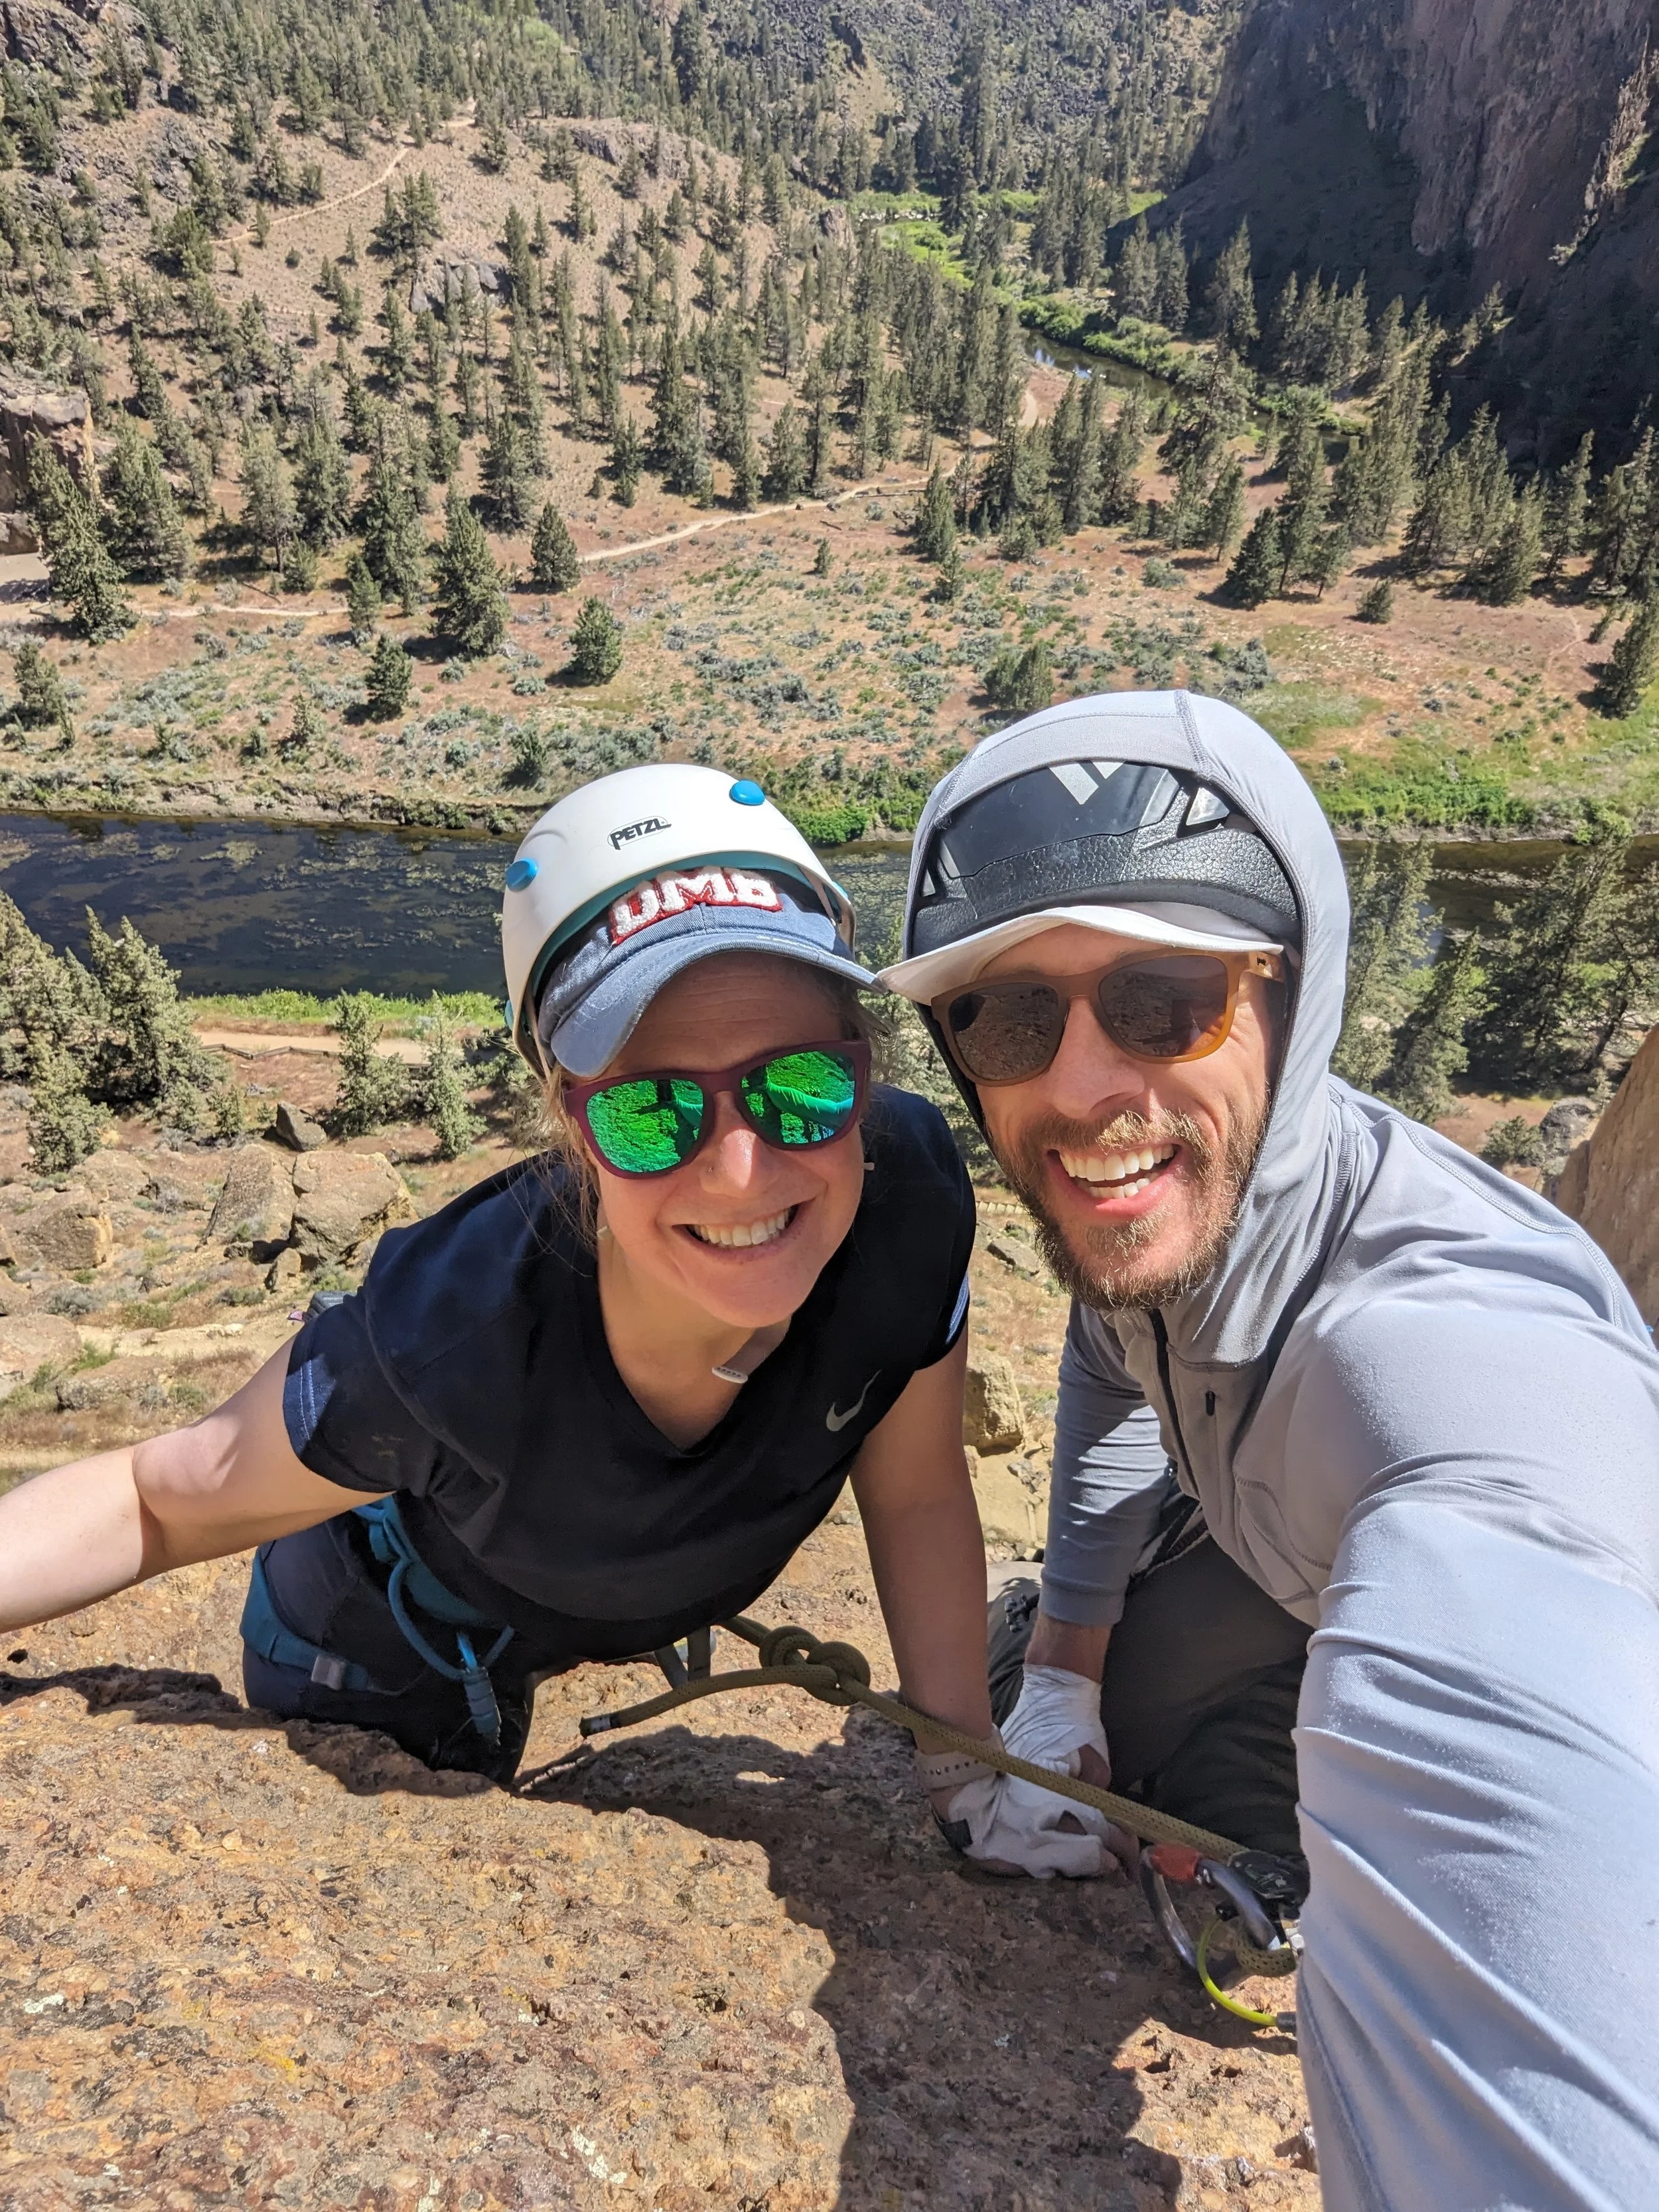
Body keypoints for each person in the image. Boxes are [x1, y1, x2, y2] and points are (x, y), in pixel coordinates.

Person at [0, 764, 1078, 1876]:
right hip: (376, 1651)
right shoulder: (446, 1342)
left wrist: (967, 1782)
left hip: (554, 1619)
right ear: (569, 1122)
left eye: (800, 1084)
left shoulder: (904, 1202)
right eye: (651, 1111)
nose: (744, 1170)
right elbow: (157, 1499)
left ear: (865, 1073)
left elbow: (914, 1488)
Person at [881, 692, 1659, 2209]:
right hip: (1268, 1562)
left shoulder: (1448, 1366)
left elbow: (1507, 1673)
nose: (1088, 1083)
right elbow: (1115, 1358)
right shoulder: (1177, 1225)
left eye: (1166, 996)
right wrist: (1061, 1681)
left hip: (1365, 1575)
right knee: (1131, 1718)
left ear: (1293, 1000)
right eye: (1009, 1018)